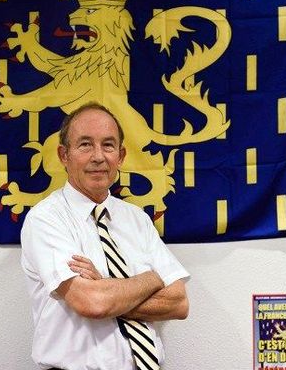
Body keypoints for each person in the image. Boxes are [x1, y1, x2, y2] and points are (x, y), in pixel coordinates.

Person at [20, 102, 190, 370]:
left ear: (121, 156)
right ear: (64, 155)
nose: (98, 156)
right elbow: (92, 302)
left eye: (108, 145)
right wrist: (153, 277)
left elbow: (179, 303)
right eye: (85, 144)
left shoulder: (138, 220)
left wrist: (106, 284)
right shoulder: (46, 219)